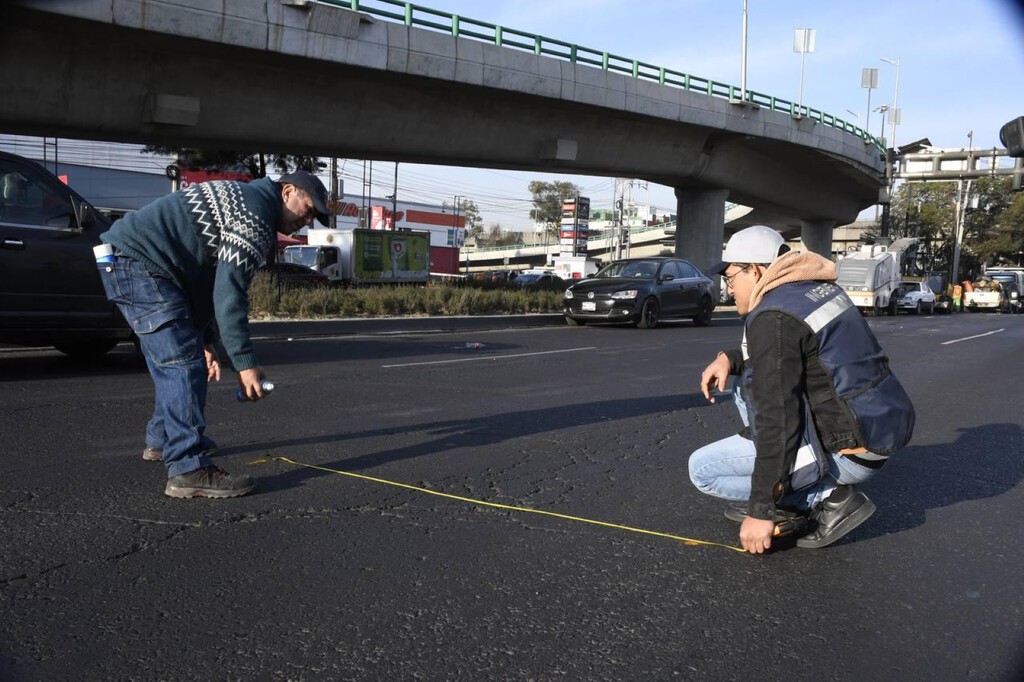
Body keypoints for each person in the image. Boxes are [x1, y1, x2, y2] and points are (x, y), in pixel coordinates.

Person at [96, 170, 330, 498]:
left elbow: (207, 283)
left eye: (314, 218)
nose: (307, 221)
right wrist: (245, 363)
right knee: (181, 364)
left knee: (179, 359)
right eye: (308, 210)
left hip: (137, 263)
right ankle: (188, 467)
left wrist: (206, 339)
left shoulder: (249, 202)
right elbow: (230, 293)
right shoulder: (255, 217)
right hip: (139, 263)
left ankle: (163, 440)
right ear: (287, 191)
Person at [688, 225, 915, 553]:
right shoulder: (814, 290)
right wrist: (731, 359)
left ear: (755, 270)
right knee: (741, 380)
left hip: (850, 450)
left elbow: (778, 418)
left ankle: (826, 498)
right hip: (879, 426)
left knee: (702, 470)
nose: (728, 287)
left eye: (730, 276)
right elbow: (796, 353)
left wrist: (761, 508)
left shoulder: (773, 317)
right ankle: (795, 489)